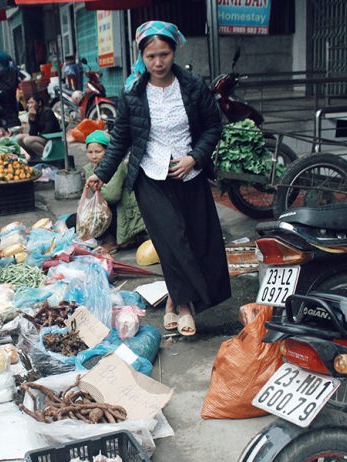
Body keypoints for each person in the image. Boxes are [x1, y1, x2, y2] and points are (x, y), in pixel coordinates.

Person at [86, 21, 231, 337]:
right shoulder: (133, 92)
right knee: (171, 240)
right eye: (151, 56)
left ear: (174, 51)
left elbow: (213, 127)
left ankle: (172, 301)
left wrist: (195, 157)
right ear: (142, 55)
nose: (158, 62)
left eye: (164, 54)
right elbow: (122, 137)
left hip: (189, 175)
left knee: (196, 241)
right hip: (150, 176)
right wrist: (101, 173)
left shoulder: (192, 86)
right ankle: (183, 307)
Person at [79, 130, 146, 254]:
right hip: (110, 209)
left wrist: (94, 194)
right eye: (90, 152)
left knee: (93, 216)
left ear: (108, 152)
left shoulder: (117, 166)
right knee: (75, 220)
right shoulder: (91, 167)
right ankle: (107, 236)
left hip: (124, 212)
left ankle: (111, 241)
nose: (93, 156)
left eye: (98, 152)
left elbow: (112, 195)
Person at [16, 94, 59, 159]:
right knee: (19, 138)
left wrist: (37, 135)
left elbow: (48, 131)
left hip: (50, 138)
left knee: (28, 140)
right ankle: (34, 156)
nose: (30, 105)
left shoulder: (47, 112)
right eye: (29, 103)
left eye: (32, 103)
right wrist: (32, 119)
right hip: (41, 136)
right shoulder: (33, 114)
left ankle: (46, 156)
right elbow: (32, 133)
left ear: (39, 103)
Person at [0, 52, 20, 129]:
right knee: (12, 109)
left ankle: (8, 125)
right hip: (12, 93)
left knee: (5, 110)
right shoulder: (14, 70)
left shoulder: (1, 71)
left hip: (3, 93)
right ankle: (14, 124)